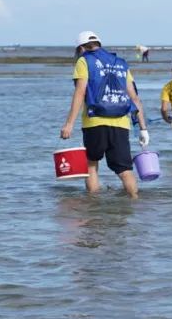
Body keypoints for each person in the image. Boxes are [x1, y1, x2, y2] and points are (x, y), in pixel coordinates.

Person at [60, 31, 150, 198]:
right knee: (124, 169)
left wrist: (69, 124)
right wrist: (142, 128)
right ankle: (135, 202)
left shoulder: (84, 60)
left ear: (81, 48)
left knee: (91, 165)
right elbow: (134, 97)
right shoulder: (121, 63)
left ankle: (94, 204)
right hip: (121, 123)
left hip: (95, 123)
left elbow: (80, 92)